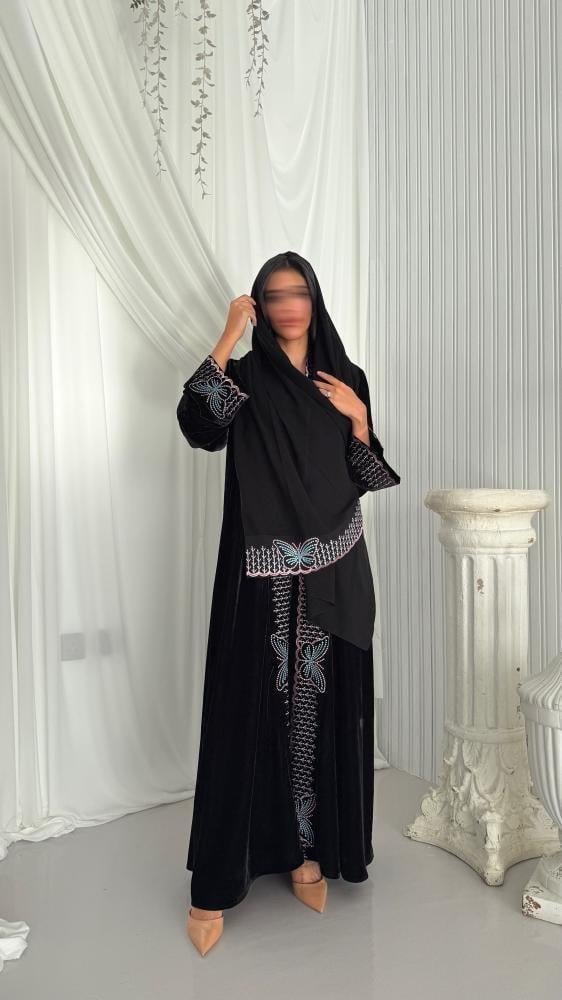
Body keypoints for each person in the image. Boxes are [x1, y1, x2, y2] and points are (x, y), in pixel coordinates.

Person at [176, 250, 400, 956]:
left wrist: (358, 419)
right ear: (261, 306)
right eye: (274, 295)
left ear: (315, 299)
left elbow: (365, 474)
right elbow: (199, 427)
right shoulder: (243, 378)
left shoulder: (346, 377)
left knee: (319, 709)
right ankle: (217, 885)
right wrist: (226, 337)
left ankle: (308, 854)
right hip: (261, 569)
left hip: (334, 566)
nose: (288, 306)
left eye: (298, 292)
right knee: (251, 712)